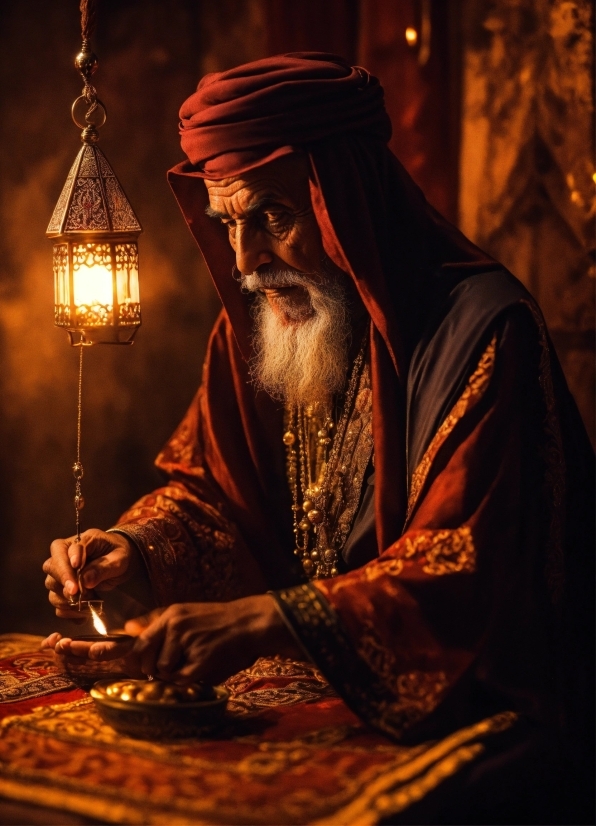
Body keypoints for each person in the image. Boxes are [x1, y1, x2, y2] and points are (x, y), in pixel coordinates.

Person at [42, 54, 593, 821]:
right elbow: (214, 498)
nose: (245, 264)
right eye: (228, 223)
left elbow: (467, 573)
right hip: (317, 706)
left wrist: (267, 619)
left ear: (350, 201)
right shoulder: (258, 334)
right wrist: (134, 547)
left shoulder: (484, 332)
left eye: (273, 216)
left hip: (477, 720)